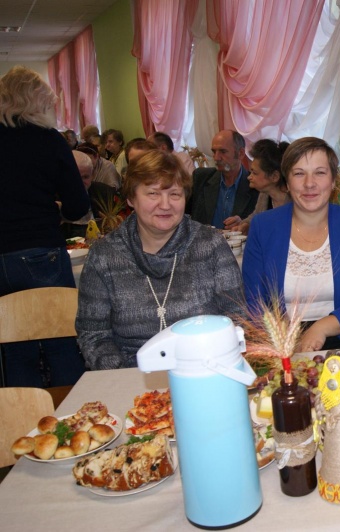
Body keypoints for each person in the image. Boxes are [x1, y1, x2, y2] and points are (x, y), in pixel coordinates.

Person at [76, 150, 244, 370]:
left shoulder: (210, 245)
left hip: (203, 369)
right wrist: (127, 374)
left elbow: (237, 317)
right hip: (131, 373)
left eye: (174, 194)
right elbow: (94, 335)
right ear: (131, 198)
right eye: (153, 193)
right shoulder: (104, 255)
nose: (165, 205)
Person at [242, 137, 340, 352]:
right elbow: (255, 302)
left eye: (320, 173)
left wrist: (321, 328)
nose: (309, 183)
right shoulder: (263, 227)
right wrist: (287, 340)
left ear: (333, 180)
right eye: (299, 173)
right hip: (282, 341)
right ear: (287, 182)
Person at [0, 65, 90, 387]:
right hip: (41, 249)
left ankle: (25, 414)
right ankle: (74, 412)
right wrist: (56, 208)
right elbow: (78, 206)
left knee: (14, 347)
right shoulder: (49, 140)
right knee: (60, 340)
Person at [188, 129, 258, 229]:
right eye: (214, 151)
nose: (216, 158)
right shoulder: (201, 178)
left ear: (241, 153)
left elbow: (262, 223)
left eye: (223, 152)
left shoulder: (255, 185)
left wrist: (245, 223)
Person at [225, 138, 290, 235]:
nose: (249, 177)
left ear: (274, 176)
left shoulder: (296, 202)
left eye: (254, 173)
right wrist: (246, 225)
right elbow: (255, 216)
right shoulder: (265, 194)